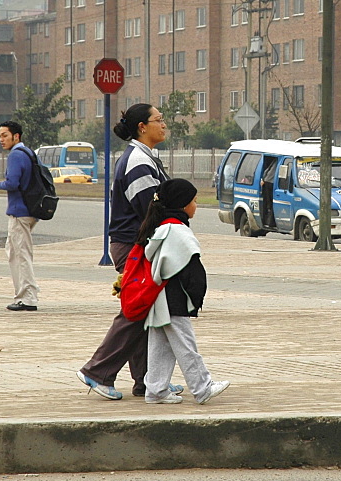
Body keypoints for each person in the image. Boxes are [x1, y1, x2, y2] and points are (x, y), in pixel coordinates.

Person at [77, 103, 172, 401]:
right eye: (159, 119)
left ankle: (148, 380)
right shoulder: (138, 162)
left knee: (143, 312)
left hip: (137, 243)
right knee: (136, 310)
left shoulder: (144, 157)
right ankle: (97, 371)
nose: (164, 124)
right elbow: (151, 209)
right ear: (142, 127)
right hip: (134, 245)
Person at [139, 178, 230, 405]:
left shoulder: (161, 228)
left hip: (159, 297)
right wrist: (197, 296)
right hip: (174, 298)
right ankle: (202, 387)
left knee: (161, 346)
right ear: (182, 204)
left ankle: (156, 390)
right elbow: (191, 267)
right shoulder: (178, 230)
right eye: (194, 201)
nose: (196, 205)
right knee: (186, 344)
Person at [0, 121, 40, 312]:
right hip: (30, 210)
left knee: (21, 255)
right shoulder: (29, 153)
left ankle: (27, 297)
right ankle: (22, 294)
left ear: (16, 136)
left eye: (5, 135)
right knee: (15, 251)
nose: (1, 140)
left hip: (19, 211)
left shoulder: (15, 155)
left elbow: (13, 183)